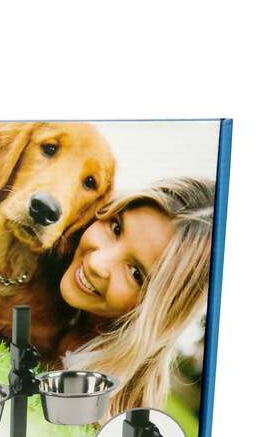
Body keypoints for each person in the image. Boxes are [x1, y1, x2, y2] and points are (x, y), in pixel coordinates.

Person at [56, 177, 214, 418]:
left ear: (161, 313)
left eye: (135, 273)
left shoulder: (113, 411)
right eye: (116, 229)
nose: (97, 263)